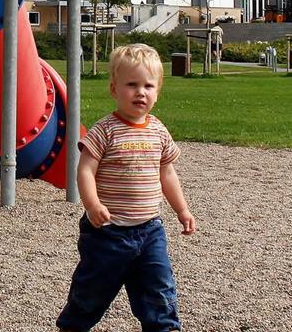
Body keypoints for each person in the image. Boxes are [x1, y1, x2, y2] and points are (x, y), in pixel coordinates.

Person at [56, 43, 197, 332]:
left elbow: (167, 173)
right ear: (114, 89)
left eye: (148, 86)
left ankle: (164, 327)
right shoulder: (105, 130)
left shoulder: (158, 131)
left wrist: (182, 209)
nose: (140, 92)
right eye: (131, 85)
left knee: (158, 290)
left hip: (150, 230)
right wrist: (92, 205)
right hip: (107, 233)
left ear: (157, 92)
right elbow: (85, 170)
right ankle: (73, 326)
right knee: (92, 291)